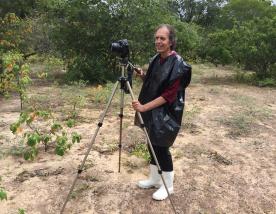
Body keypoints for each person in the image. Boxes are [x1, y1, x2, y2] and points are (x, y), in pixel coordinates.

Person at [132, 24, 191, 201]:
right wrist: (142, 74)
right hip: (152, 109)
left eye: (162, 38)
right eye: (157, 38)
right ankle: (154, 179)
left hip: (167, 112)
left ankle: (168, 186)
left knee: (161, 146)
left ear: (171, 41)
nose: (158, 41)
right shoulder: (156, 59)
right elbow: (155, 81)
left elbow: (168, 95)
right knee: (151, 143)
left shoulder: (179, 64)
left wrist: (143, 107)